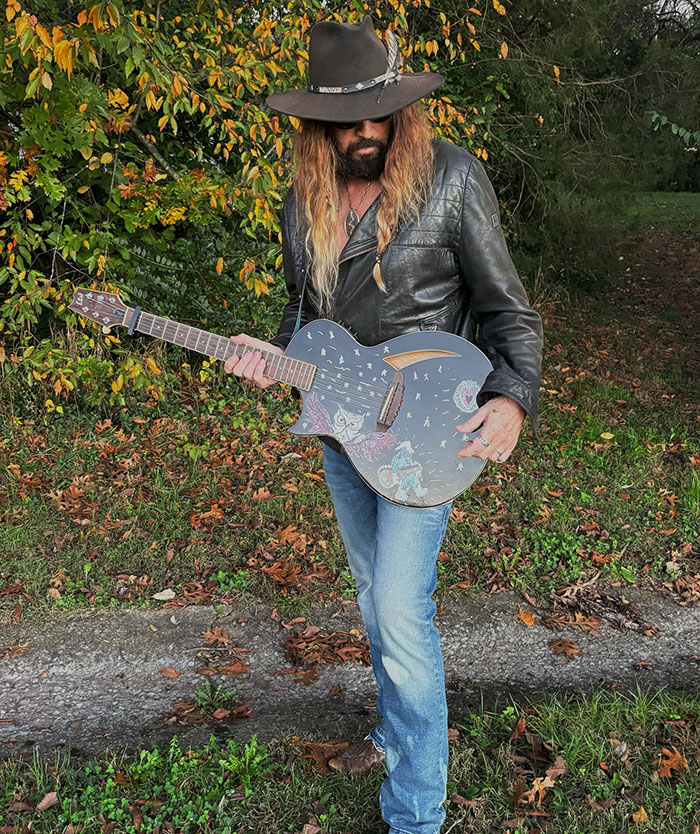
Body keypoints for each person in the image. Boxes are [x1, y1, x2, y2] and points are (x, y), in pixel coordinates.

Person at [223, 16, 543, 834]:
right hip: (344, 435)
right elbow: (302, 313)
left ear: (400, 111)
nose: (365, 131)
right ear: (314, 124)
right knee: (375, 601)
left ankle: (417, 813)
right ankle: (400, 737)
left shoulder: (453, 180)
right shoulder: (305, 201)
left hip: (425, 435)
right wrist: (270, 352)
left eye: (379, 113)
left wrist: (510, 399)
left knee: (400, 611)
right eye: (345, 119)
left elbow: (511, 315)